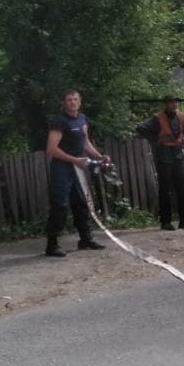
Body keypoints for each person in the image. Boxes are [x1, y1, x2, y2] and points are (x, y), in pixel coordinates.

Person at [45, 89, 107, 258]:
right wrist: (74, 160)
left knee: (82, 202)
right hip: (62, 168)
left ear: (80, 102)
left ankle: (85, 239)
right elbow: (51, 149)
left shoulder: (82, 119)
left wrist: (100, 156)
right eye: (69, 100)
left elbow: (85, 142)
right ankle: (52, 244)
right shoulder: (59, 122)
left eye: (75, 99)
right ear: (64, 103)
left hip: (77, 168)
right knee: (60, 205)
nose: (72, 102)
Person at [137, 95, 184, 231]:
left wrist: (182, 147)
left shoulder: (180, 117)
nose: (174, 104)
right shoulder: (157, 118)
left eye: (175, 102)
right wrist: (156, 139)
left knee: (183, 189)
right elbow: (140, 128)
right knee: (165, 190)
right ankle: (165, 222)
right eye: (171, 102)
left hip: (177, 156)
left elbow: (181, 134)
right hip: (164, 156)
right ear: (165, 104)